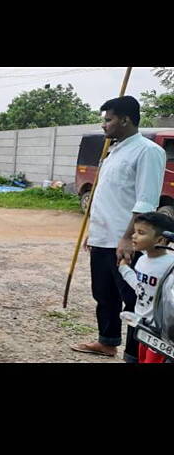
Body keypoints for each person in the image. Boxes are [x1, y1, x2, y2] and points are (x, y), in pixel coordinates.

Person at [71, 96, 166, 362]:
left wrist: (127, 238)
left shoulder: (147, 151)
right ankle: (107, 341)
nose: (104, 125)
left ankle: (134, 353)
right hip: (103, 237)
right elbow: (109, 197)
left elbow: (145, 201)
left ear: (125, 119)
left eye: (108, 119)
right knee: (104, 294)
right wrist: (95, 230)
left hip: (127, 241)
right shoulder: (113, 151)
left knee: (135, 300)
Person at [118, 212, 174, 363]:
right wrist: (124, 270)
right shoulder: (142, 261)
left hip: (161, 331)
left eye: (141, 233)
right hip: (143, 325)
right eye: (135, 231)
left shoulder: (170, 264)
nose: (134, 236)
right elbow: (140, 288)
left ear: (160, 239)